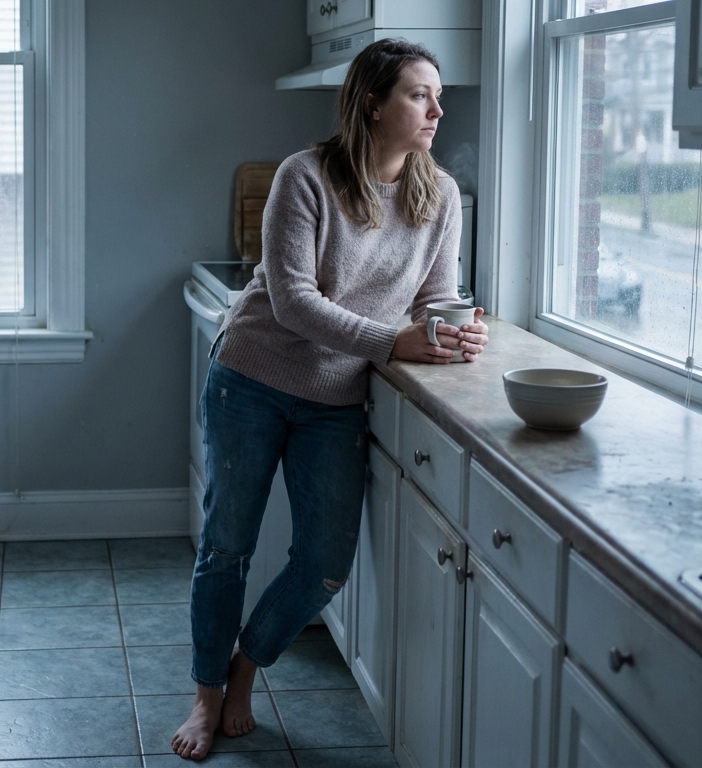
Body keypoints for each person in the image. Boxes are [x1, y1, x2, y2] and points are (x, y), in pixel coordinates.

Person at [170, 38, 490, 761]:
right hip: (252, 378)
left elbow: (437, 295)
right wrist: (394, 340)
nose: (438, 109)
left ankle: (247, 667)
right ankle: (206, 693)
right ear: (373, 102)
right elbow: (292, 302)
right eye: (419, 94)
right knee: (227, 548)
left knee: (324, 561)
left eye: (438, 96)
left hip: (335, 396)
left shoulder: (438, 195)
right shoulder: (304, 177)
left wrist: (458, 330)